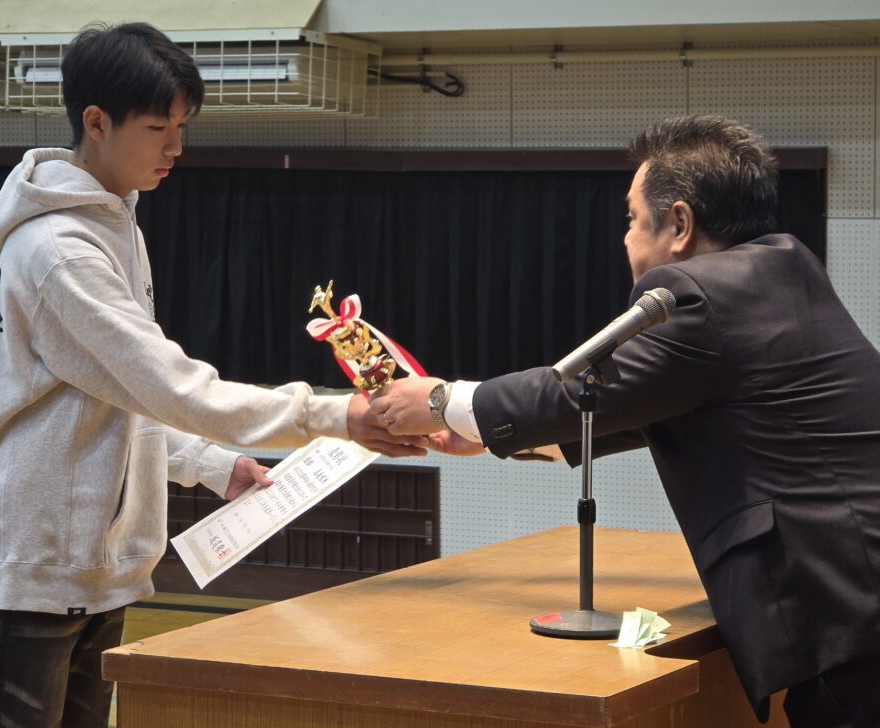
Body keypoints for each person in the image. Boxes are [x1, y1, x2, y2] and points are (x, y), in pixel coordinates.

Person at [0, 21, 424, 728]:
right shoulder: (59, 251)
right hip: (37, 557)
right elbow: (170, 384)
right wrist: (334, 416)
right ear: (96, 122)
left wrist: (210, 464)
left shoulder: (116, 226)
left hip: (93, 561)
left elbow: (121, 395)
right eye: (157, 128)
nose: (175, 147)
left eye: (181, 127)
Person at [369, 114, 880, 728]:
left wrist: (440, 399)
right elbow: (647, 409)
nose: (626, 239)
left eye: (634, 219)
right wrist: (487, 438)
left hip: (848, 611)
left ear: (680, 224)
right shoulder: (785, 268)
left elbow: (575, 391)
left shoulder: (695, 295)